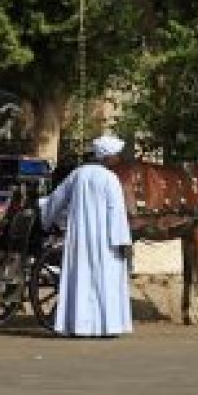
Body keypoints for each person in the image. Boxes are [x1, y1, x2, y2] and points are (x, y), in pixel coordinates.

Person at [38, 134, 133, 337]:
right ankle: (106, 326)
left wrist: (45, 218)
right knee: (105, 281)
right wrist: (123, 241)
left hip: (80, 239)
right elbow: (116, 212)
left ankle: (78, 326)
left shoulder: (77, 175)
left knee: (80, 280)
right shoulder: (111, 179)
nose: (118, 159)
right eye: (116, 155)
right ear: (107, 157)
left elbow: (56, 200)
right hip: (105, 241)